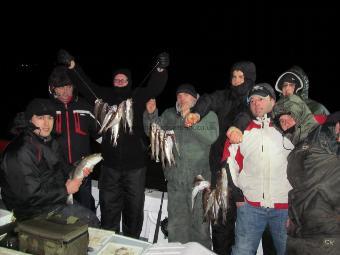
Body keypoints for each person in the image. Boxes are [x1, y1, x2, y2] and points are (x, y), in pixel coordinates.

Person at [61, 50, 169, 238]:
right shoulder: (104, 96)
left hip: (135, 167)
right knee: (109, 208)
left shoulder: (139, 96)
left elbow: (155, 88)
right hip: (110, 166)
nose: (119, 82)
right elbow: (85, 85)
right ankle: (107, 240)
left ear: (129, 81)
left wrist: (160, 69)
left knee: (134, 209)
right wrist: (72, 66)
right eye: (117, 80)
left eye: (123, 80)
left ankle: (131, 241)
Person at [184, 61, 258, 255]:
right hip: (221, 169)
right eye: (234, 76)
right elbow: (208, 99)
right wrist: (196, 114)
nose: (236, 80)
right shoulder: (224, 96)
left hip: (246, 175)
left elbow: (245, 115)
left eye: (241, 77)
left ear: (249, 79)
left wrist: (237, 128)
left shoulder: (254, 99)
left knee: (245, 229)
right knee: (220, 222)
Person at [0, 98, 99, 227]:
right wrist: (65, 190)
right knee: (89, 220)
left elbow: (64, 171)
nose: (47, 123)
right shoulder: (20, 151)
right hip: (28, 213)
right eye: (41, 118)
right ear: (30, 119)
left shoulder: (49, 142)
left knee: (89, 216)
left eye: (50, 118)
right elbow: (28, 196)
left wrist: (80, 173)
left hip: (52, 201)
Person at [144, 83, 219, 248]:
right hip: (175, 181)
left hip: (199, 183)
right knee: (176, 227)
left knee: (200, 228)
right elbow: (153, 131)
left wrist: (190, 118)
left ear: (195, 98)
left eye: (185, 94)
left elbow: (211, 137)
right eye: (179, 95)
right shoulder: (169, 114)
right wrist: (150, 114)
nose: (181, 97)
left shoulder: (208, 115)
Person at [222, 83, 293, 255]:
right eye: (252, 100)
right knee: (242, 252)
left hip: (285, 208)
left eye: (261, 99)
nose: (256, 103)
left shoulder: (287, 128)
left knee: (290, 251)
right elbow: (228, 162)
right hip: (250, 207)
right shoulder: (241, 130)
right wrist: (238, 195)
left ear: (273, 101)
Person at [273, 95, 340, 254]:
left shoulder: (323, 136)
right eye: (281, 121)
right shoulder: (298, 148)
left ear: (300, 113)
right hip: (299, 232)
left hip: (326, 234)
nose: (285, 122)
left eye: (289, 116)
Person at [48, 65, 100, 212]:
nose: (65, 91)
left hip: (82, 169)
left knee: (85, 209)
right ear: (53, 88)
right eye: (60, 87)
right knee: (57, 210)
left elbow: (101, 136)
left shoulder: (86, 107)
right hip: (55, 171)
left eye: (69, 86)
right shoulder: (47, 109)